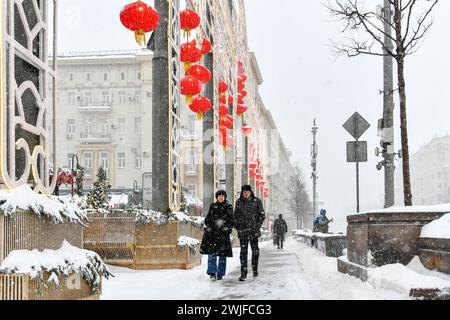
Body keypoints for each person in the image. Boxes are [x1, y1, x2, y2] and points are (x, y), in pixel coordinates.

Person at [233, 185, 265, 281]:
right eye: (244, 192)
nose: (246, 193)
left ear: (250, 192)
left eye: (247, 191)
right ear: (242, 193)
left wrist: (257, 226)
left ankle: (255, 269)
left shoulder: (257, 201)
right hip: (243, 231)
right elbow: (235, 216)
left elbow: (262, 215)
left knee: (255, 251)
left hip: (253, 231)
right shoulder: (238, 202)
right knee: (243, 252)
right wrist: (238, 226)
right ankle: (243, 273)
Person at [200, 190, 234, 280]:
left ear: (225, 197)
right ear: (217, 197)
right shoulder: (213, 206)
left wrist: (227, 229)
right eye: (219, 196)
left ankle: (220, 273)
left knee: (222, 254)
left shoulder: (228, 207)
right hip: (213, 234)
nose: (221, 197)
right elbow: (208, 218)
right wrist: (208, 224)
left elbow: (231, 220)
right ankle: (212, 272)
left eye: (222, 196)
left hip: (223, 234)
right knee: (212, 253)